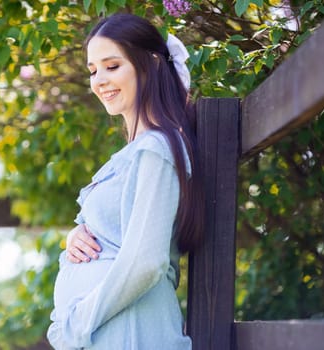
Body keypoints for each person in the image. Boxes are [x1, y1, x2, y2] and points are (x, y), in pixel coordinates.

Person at [47, 12, 204, 349]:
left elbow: (146, 263)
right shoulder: (137, 152)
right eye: (92, 70)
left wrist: (76, 323)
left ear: (150, 65)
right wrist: (78, 233)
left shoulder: (157, 150)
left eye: (112, 66)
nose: (99, 80)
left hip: (132, 332)